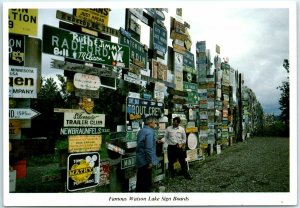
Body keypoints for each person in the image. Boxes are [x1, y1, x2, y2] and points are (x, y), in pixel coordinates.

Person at [136, 116, 159, 192]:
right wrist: (150, 162)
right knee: (146, 182)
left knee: (140, 181)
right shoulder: (149, 132)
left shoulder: (141, 130)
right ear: (150, 123)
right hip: (146, 160)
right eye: (154, 122)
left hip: (140, 159)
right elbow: (148, 149)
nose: (155, 123)